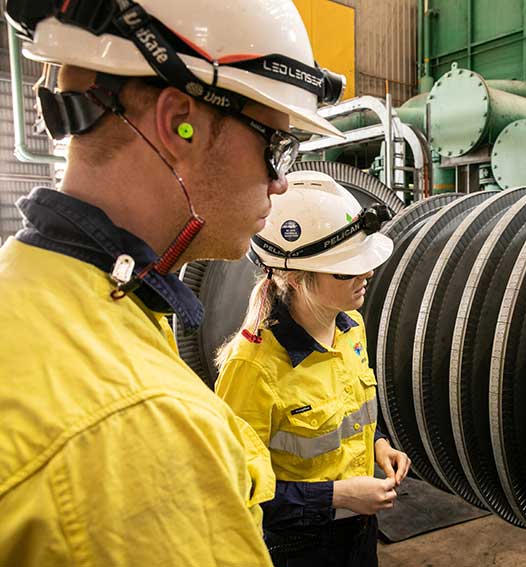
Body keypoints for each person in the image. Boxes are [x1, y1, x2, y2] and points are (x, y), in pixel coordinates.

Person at [0, 1, 343, 565]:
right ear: (178, 122)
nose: (281, 182)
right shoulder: (146, 426)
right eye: (274, 146)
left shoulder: (37, 288)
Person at [215, 170, 411, 567]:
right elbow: (231, 492)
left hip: (359, 533)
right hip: (298, 548)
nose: (366, 274)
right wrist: (337, 496)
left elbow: (349, 409)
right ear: (294, 276)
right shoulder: (252, 367)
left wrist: (379, 445)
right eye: (345, 269)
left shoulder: (351, 328)